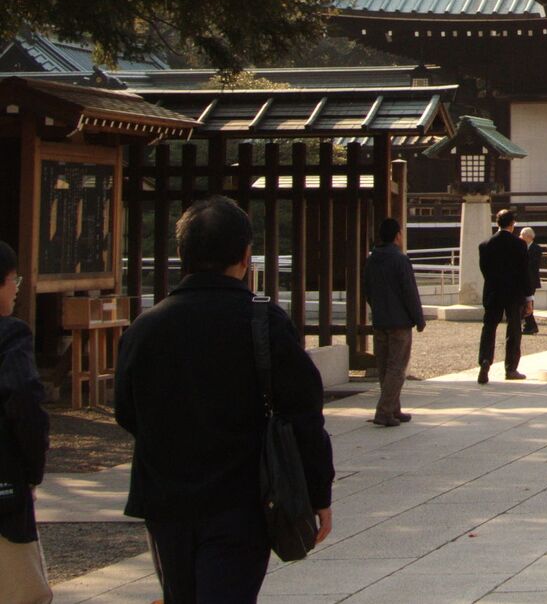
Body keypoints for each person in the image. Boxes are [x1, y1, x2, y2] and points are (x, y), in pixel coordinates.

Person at [115, 197, 333, 602]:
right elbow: (304, 412)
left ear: (183, 255)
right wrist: (318, 491)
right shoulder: (263, 321)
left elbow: (127, 411)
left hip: (167, 497)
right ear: (246, 255)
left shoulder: (146, 327)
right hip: (243, 496)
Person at [0, 241, 52, 604]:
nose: (16, 291)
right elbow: (23, 398)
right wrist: (32, 470)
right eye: (13, 281)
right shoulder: (10, 335)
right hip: (2, 486)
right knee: (22, 594)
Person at [363, 218, 426, 428]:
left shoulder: (372, 259)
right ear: (397, 235)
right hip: (399, 320)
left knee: (384, 366)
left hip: (380, 319)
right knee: (397, 368)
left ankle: (394, 408)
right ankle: (384, 411)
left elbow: (367, 290)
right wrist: (418, 318)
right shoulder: (400, 260)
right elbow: (409, 292)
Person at [477, 209, 530, 383]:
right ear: (512, 223)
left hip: (493, 291)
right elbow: (524, 272)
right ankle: (511, 368)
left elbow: (484, 270)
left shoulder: (485, 245)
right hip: (514, 293)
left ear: (497, 223)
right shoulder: (519, 245)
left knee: (489, 328)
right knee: (514, 329)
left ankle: (485, 361)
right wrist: (528, 297)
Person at [520, 226, 543, 335]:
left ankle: (530, 325)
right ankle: (531, 325)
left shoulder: (536, 248)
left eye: (522, 235)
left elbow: (534, 265)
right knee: (526, 303)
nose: (520, 237)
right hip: (524, 279)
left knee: (528, 302)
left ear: (528, 237)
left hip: (531, 280)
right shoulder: (522, 247)